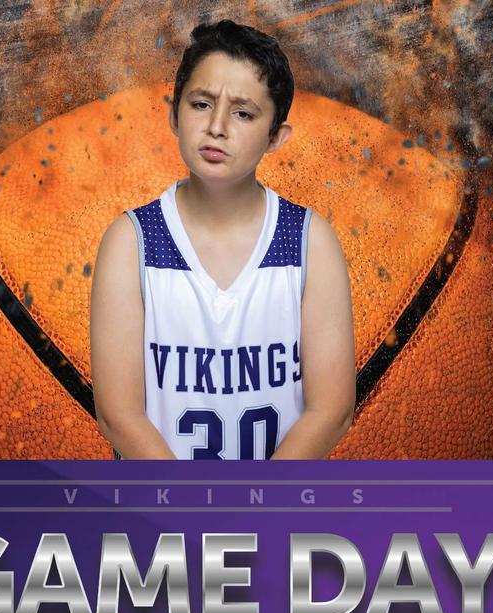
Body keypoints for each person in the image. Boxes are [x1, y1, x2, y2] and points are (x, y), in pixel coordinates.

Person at [90, 19, 356, 460]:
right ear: (173, 113)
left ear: (276, 137)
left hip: (274, 514)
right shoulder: (131, 242)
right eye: (200, 104)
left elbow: (331, 410)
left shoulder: (309, 242)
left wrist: (254, 510)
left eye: (243, 113)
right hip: (160, 518)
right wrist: (193, 515)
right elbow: (119, 416)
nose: (217, 126)